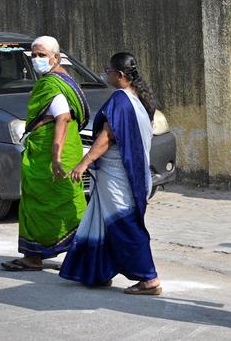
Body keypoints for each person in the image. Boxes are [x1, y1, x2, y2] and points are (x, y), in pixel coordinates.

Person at [61, 52, 162, 294]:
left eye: (108, 71)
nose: (105, 74)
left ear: (120, 75)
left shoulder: (120, 99)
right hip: (133, 173)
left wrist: (84, 163)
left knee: (124, 224)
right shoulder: (140, 99)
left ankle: (148, 278)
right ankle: (98, 271)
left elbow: (107, 136)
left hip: (118, 175)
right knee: (103, 221)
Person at [1, 36, 89, 271]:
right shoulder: (61, 80)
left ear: (56, 58)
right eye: (34, 55)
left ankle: (48, 257)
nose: (36, 59)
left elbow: (64, 117)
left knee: (55, 203)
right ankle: (38, 256)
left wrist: (56, 156)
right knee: (49, 202)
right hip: (54, 150)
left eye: (42, 55)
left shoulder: (52, 84)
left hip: (53, 154)